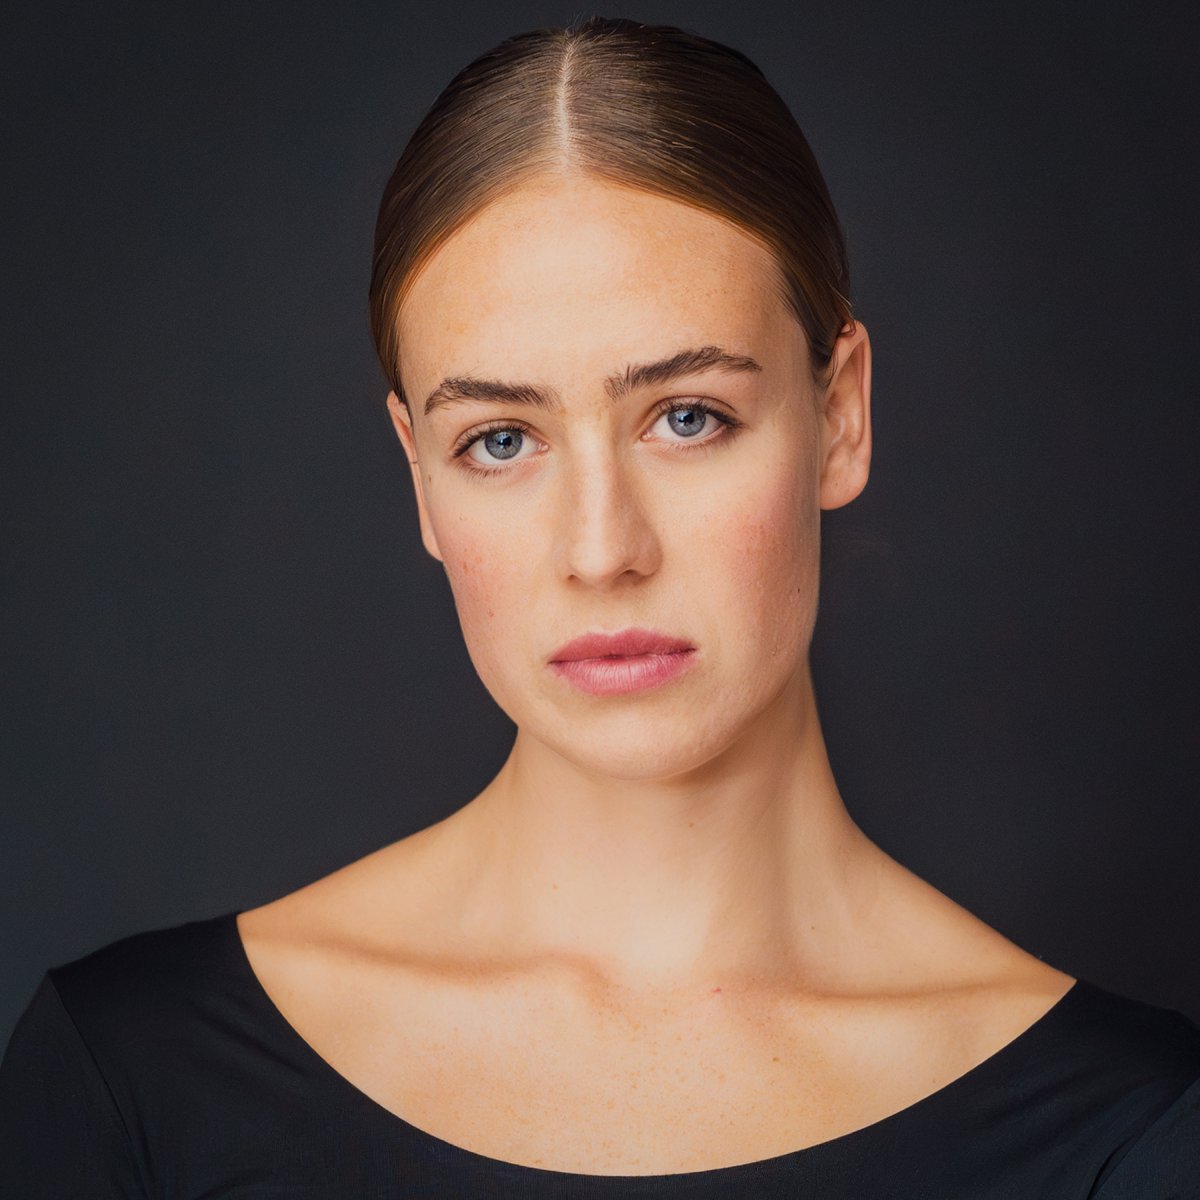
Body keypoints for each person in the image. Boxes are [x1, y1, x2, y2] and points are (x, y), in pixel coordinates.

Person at [2, 16, 1197, 1197]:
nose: (601, 550)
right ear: (418, 475)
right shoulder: (136, 1080)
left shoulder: (1131, 1133)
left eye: (688, 417)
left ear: (840, 416)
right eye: (500, 440)